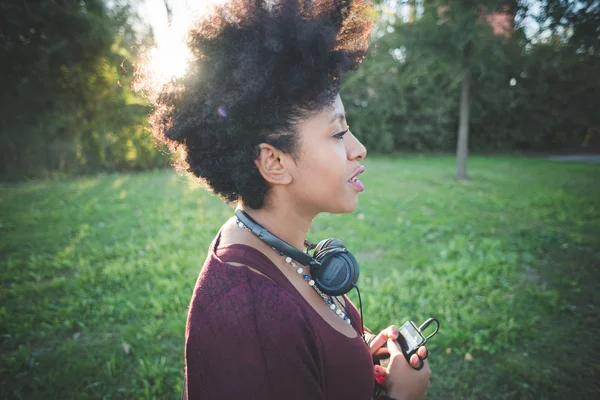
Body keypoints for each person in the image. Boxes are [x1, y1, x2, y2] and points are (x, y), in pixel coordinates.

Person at [136, 1, 431, 399]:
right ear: (274, 162)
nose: (358, 149)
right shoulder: (250, 318)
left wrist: (356, 360)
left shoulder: (276, 244)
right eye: (338, 134)